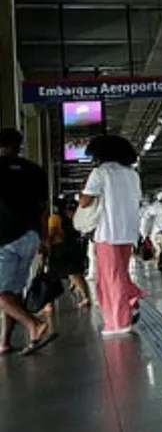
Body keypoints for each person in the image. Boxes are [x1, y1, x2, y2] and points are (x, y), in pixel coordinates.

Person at [80, 135, 146, 337]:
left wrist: (80, 195)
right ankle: (131, 298)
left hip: (107, 232)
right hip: (128, 231)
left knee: (110, 278)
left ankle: (119, 321)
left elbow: (85, 201)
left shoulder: (100, 173)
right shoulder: (132, 174)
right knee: (119, 274)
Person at [0, 128, 56, 355]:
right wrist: (43, 237)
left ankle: (34, 324)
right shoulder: (35, 171)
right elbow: (44, 208)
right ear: (19, 145)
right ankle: (4, 341)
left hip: (4, 238)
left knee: (3, 294)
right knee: (11, 293)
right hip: (31, 236)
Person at [47, 200, 91, 310]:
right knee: (74, 274)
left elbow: (54, 234)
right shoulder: (78, 219)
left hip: (60, 251)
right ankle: (85, 298)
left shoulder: (55, 218)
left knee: (52, 276)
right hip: (74, 249)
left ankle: (49, 305)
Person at [139, 192, 162, 259]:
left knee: (159, 252)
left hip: (153, 235)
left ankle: (159, 266)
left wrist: (145, 235)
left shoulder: (151, 208)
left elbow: (144, 221)